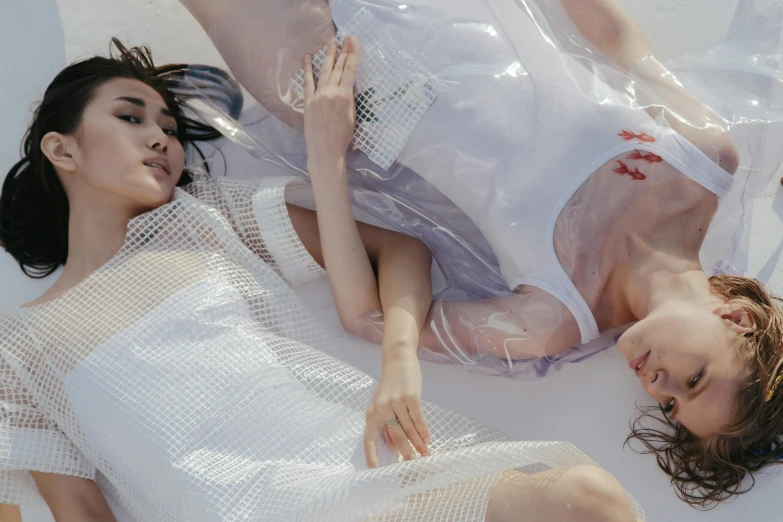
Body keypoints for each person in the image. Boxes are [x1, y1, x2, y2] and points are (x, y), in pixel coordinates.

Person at [0, 38, 642, 522]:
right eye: (130, 118)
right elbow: (80, 513)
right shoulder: (21, 348)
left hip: (358, 469)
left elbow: (395, 247)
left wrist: (400, 364)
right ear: (63, 150)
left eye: (169, 127)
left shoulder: (207, 219)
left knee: (586, 500)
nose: (161, 139)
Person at [179, 0, 783, 508]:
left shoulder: (552, 320)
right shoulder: (705, 161)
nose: (658, 386)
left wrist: (326, 153)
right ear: (738, 319)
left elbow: (368, 316)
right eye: (694, 379)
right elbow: (613, 38)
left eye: (672, 405)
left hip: (331, 79)